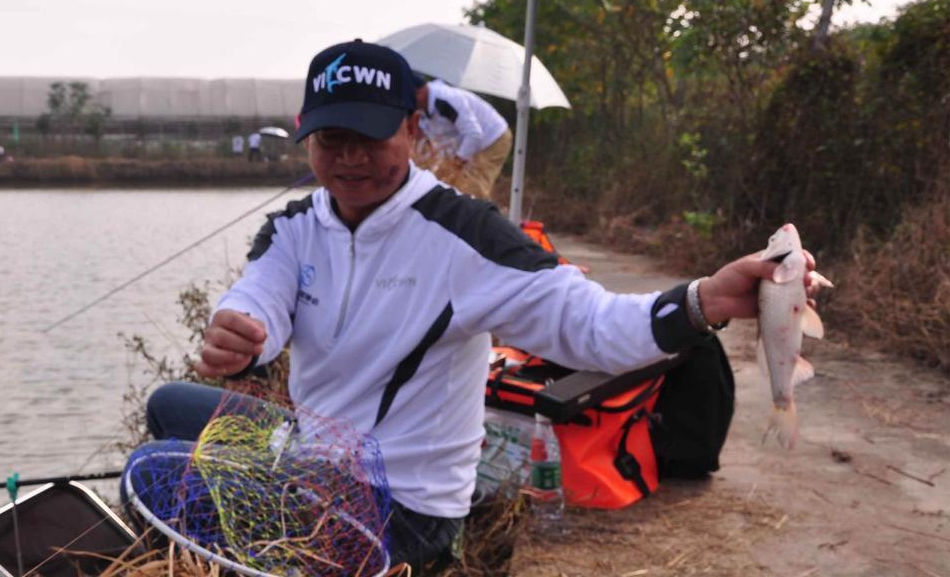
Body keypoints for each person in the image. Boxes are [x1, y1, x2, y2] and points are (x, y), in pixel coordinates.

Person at [135, 40, 821, 574]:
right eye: (331, 140)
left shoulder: (466, 233)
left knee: (153, 477)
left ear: (412, 129)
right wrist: (244, 332)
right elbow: (260, 295)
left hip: (399, 507)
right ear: (304, 135)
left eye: (370, 139)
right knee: (170, 405)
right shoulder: (294, 226)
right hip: (316, 458)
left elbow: (590, 326)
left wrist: (704, 301)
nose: (350, 160)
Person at [412, 76, 513, 201]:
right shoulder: (422, 110)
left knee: (473, 188)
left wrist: (457, 162)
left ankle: (478, 218)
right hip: (469, 143)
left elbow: (474, 134)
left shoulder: (445, 100)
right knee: (451, 185)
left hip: (493, 138)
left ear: (419, 93)